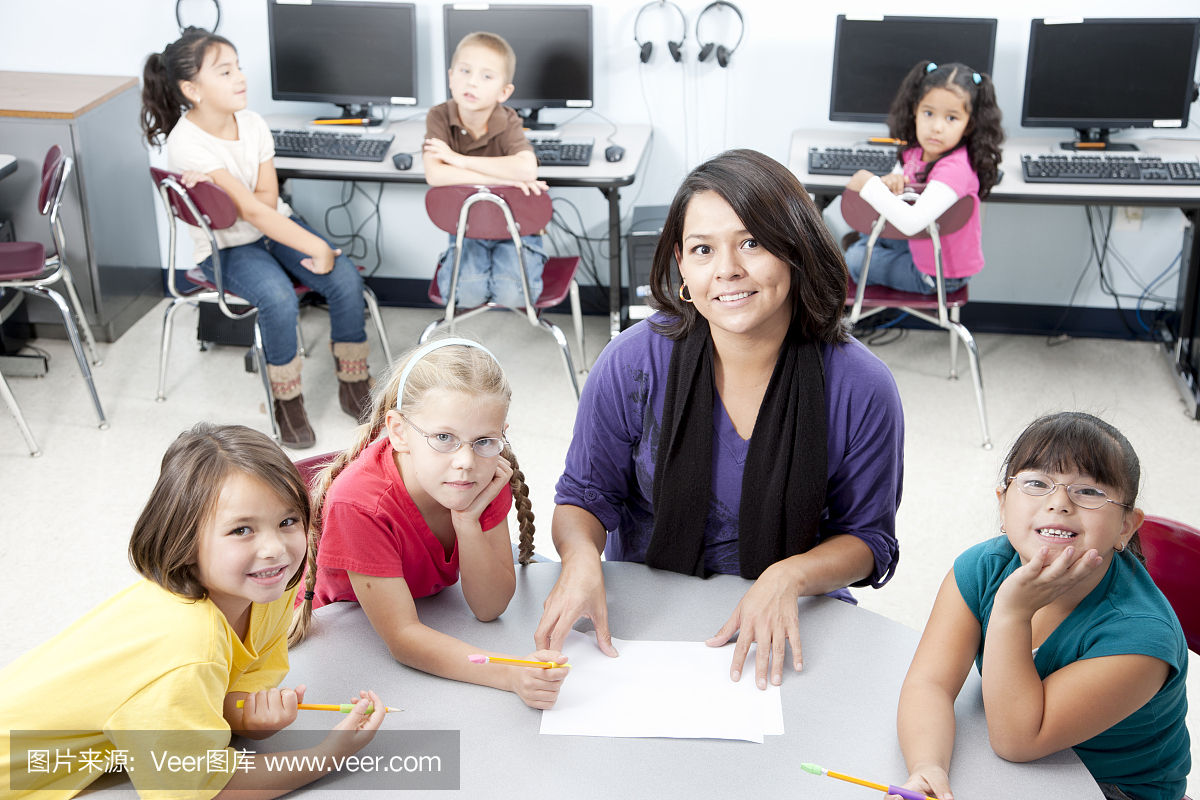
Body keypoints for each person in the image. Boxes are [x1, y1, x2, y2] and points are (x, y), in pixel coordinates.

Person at [537, 149, 904, 691]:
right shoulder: (633, 361)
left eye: (752, 243)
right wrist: (580, 557)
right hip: (648, 613)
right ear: (682, 266)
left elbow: (868, 538)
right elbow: (585, 497)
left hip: (794, 618)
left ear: (796, 249)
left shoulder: (862, 387)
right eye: (703, 249)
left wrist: (790, 573)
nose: (727, 270)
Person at [0, 424, 387, 799]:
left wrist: (245, 717)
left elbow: (235, 687)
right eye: (241, 530)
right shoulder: (185, 649)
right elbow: (202, 790)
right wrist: (327, 756)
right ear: (184, 541)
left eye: (287, 521)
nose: (275, 549)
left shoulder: (268, 588)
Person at [893, 412, 1189, 800]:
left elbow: (1017, 741)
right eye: (1037, 482)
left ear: (1126, 526)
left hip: (1113, 789)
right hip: (1018, 765)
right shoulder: (983, 568)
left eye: (1089, 491)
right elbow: (929, 684)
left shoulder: (1141, 634)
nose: (1060, 503)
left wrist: (1012, 612)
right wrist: (928, 766)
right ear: (1003, 504)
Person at [293, 338, 570, 709]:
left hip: (435, 615)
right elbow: (403, 638)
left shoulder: (482, 478)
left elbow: (489, 608)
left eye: (484, 440)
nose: (465, 462)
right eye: (444, 438)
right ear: (398, 431)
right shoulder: (358, 504)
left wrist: (468, 521)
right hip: (342, 633)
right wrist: (509, 673)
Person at [142, 28, 375, 448]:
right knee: (279, 297)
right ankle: (287, 400)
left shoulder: (252, 123)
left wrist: (250, 206)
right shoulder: (187, 143)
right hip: (227, 244)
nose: (240, 78)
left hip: (270, 224)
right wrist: (316, 246)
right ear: (192, 89)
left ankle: (353, 382)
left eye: (238, 68)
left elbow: (265, 199)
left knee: (344, 279)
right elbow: (248, 212)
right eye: (225, 71)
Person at [843, 61, 1004, 295]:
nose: (936, 128)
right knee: (867, 232)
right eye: (928, 113)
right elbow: (901, 179)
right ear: (915, 111)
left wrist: (869, 184)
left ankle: (871, 256)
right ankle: (875, 250)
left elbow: (911, 223)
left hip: (937, 273)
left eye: (951, 118)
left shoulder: (955, 169)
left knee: (855, 257)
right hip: (923, 243)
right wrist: (891, 181)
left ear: (969, 124)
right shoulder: (916, 151)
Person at [423, 32, 550, 310]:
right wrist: (505, 178)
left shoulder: (507, 120)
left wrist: (457, 159)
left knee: (512, 296)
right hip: (467, 228)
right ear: (450, 76)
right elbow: (436, 175)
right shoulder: (439, 116)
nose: (472, 82)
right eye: (465, 71)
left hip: (516, 227)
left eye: (486, 76)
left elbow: (526, 168)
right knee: (465, 295)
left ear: (504, 92)